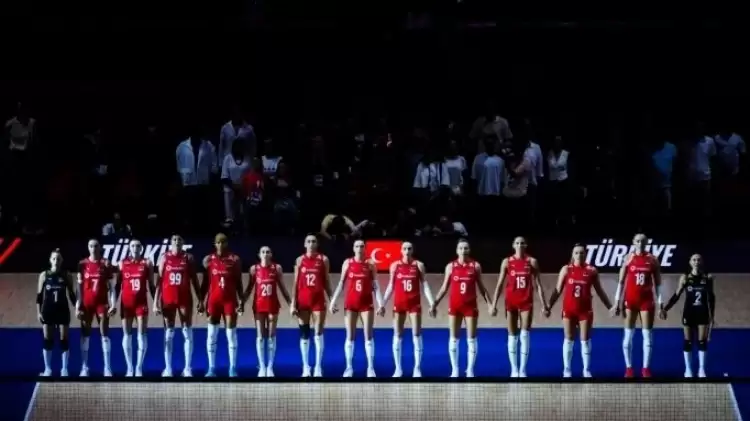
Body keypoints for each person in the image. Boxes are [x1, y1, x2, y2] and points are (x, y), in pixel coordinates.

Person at [546, 244, 614, 378]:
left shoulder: (592, 271)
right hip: (569, 311)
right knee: (569, 339)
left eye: (582, 253)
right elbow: (557, 290)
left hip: (585, 311)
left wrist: (609, 306)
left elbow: (600, 291)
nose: (579, 255)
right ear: (573, 255)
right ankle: (567, 370)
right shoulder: (566, 270)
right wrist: (549, 306)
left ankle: (586, 370)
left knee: (585, 340)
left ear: (586, 254)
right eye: (576, 253)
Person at [490, 236, 547, 378]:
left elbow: (538, 285)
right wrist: (493, 304)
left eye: (522, 243)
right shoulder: (507, 262)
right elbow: (499, 284)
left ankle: (522, 370)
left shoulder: (532, 262)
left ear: (526, 245)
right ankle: (514, 369)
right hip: (511, 302)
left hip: (526, 302)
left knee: (525, 334)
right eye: (517, 243)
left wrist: (544, 305)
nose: (520, 245)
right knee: (512, 336)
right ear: (513, 245)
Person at [432, 239, 490, 377]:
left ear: (469, 250)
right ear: (457, 250)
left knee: (471, 338)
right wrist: (435, 303)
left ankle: (470, 370)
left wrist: (490, 304)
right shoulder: (450, 266)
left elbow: (482, 288)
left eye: (466, 248)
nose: (463, 251)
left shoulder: (475, 266)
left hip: (470, 307)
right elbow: (444, 288)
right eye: (461, 248)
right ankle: (455, 370)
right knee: (454, 338)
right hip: (455, 307)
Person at [329, 240, 385, 378]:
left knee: (368, 335)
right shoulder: (348, 263)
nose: (359, 248)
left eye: (362, 246)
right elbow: (341, 284)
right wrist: (332, 302)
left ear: (365, 248)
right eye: (357, 246)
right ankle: (349, 367)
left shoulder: (370, 264)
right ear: (353, 248)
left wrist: (381, 304)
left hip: (366, 304)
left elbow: (376, 285)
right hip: (351, 304)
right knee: (350, 336)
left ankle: (370, 368)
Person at [380, 242, 435, 378]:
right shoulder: (395, 266)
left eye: (409, 248)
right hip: (399, 304)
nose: (407, 251)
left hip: (414, 305)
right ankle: (398, 368)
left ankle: (417, 368)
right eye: (404, 248)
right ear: (401, 250)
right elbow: (390, 286)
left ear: (412, 250)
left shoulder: (418, 265)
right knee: (397, 334)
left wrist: (432, 303)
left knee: (416, 334)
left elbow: (425, 285)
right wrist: (382, 304)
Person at [612, 233, 663, 378]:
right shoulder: (628, 258)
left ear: (646, 243)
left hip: (646, 302)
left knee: (647, 336)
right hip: (630, 302)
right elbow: (621, 282)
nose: (640, 243)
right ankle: (629, 368)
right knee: (628, 337)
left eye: (643, 241)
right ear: (633, 242)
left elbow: (658, 284)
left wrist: (661, 304)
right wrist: (616, 301)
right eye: (637, 241)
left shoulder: (653, 260)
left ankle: (646, 369)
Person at [154, 235, 202, 377]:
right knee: (169, 334)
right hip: (168, 300)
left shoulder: (189, 258)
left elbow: (194, 280)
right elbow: (159, 281)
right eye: (174, 239)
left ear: (183, 243)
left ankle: (187, 368)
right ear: (171, 243)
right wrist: (155, 302)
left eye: (179, 239)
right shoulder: (164, 257)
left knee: (187, 332)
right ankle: (168, 368)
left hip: (184, 300)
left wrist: (200, 299)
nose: (177, 241)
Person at [660, 254, 715, 378]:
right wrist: (666, 309)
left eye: (699, 259)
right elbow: (676, 295)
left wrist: (712, 316)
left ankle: (701, 370)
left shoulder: (708, 278)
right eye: (694, 260)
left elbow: (711, 298)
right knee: (688, 342)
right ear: (690, 262)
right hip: (689, 313)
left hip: (702, 312)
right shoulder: (685, 278)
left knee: (702, 342)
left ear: (702, 262)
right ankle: (688, 370)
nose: (696, 262)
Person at [244, 246, 293, 377]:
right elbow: (249, 288)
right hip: (259, 305)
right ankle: (262, 366)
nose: (265, 254)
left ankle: (270, 366)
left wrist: (291, 304)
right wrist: (241, 303)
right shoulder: (254, 269)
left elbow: (282, 288)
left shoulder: (276, 268)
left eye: (268, 252)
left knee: (271, 336)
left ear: (271, 254)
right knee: (260, 336)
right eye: (263, 252)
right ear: (259, 254)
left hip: (272, 305)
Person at [202, 233, 244, 377]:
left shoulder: (234, 260)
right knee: (211, 335)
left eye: (223, 242)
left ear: (227, 243)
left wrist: (241, 300)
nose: (221, 244)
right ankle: (211, 368)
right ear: (215, 244)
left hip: (229, 301)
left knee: (231, 334)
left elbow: (238, 282)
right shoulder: (209, 260)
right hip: (213, 302)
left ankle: (232, 368)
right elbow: (205, 282)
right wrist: (201, 300)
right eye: (218, 242)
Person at [291, 235, 332, 377]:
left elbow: (326, 281)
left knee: (318, 333)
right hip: (303, 301)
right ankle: (306, 367)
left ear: (317, 244)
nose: (311, 243)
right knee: (304, 334)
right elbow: (296, 283)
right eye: (308, 241)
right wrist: (293, 303)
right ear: (304, 244)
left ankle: (318, 367)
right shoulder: (299, 260)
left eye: (313, 241)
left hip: (318, 301)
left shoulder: (323, 260)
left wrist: (332, 299)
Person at [115, 240, 155, 377]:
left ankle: (139, 367)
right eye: (132, 245)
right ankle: (129, 368)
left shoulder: (147, 263)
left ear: (141, 248)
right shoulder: (122, 263)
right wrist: (113, 304)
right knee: (127, 335)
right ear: (129, 248)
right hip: (126, 304)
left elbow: (152, 285)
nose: (135, 248)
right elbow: (117, 285)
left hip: (141, 303)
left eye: (138, 245)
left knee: (141, 335)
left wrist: (156, 302)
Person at [77, 239, 116, 377]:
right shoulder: (82, 264)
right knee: (85, 335)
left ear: (100, 247)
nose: (93, 248)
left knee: (104, 334)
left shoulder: (105, 264)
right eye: (91, 246)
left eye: (96, 246)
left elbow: (111, 287)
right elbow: (79, 287)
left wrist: (113, 304)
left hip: (102, 304)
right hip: (87, 304)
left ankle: (107, 368)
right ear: (88, 248)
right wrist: (78, 306)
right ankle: (84, 367)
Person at [37, 249, 77, 376]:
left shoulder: (66, 275)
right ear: (50, 260)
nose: (56, 261)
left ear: (62, 261)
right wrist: (38, 312)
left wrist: (77, 307)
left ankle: (64, 369)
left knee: (64, 339)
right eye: (54, 258)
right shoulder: (44, 275)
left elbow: (72, 294)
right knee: (48, 339)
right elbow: (39, 296)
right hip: (48, 310)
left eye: (58, 259)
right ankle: (47, 369)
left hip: (62, 310)